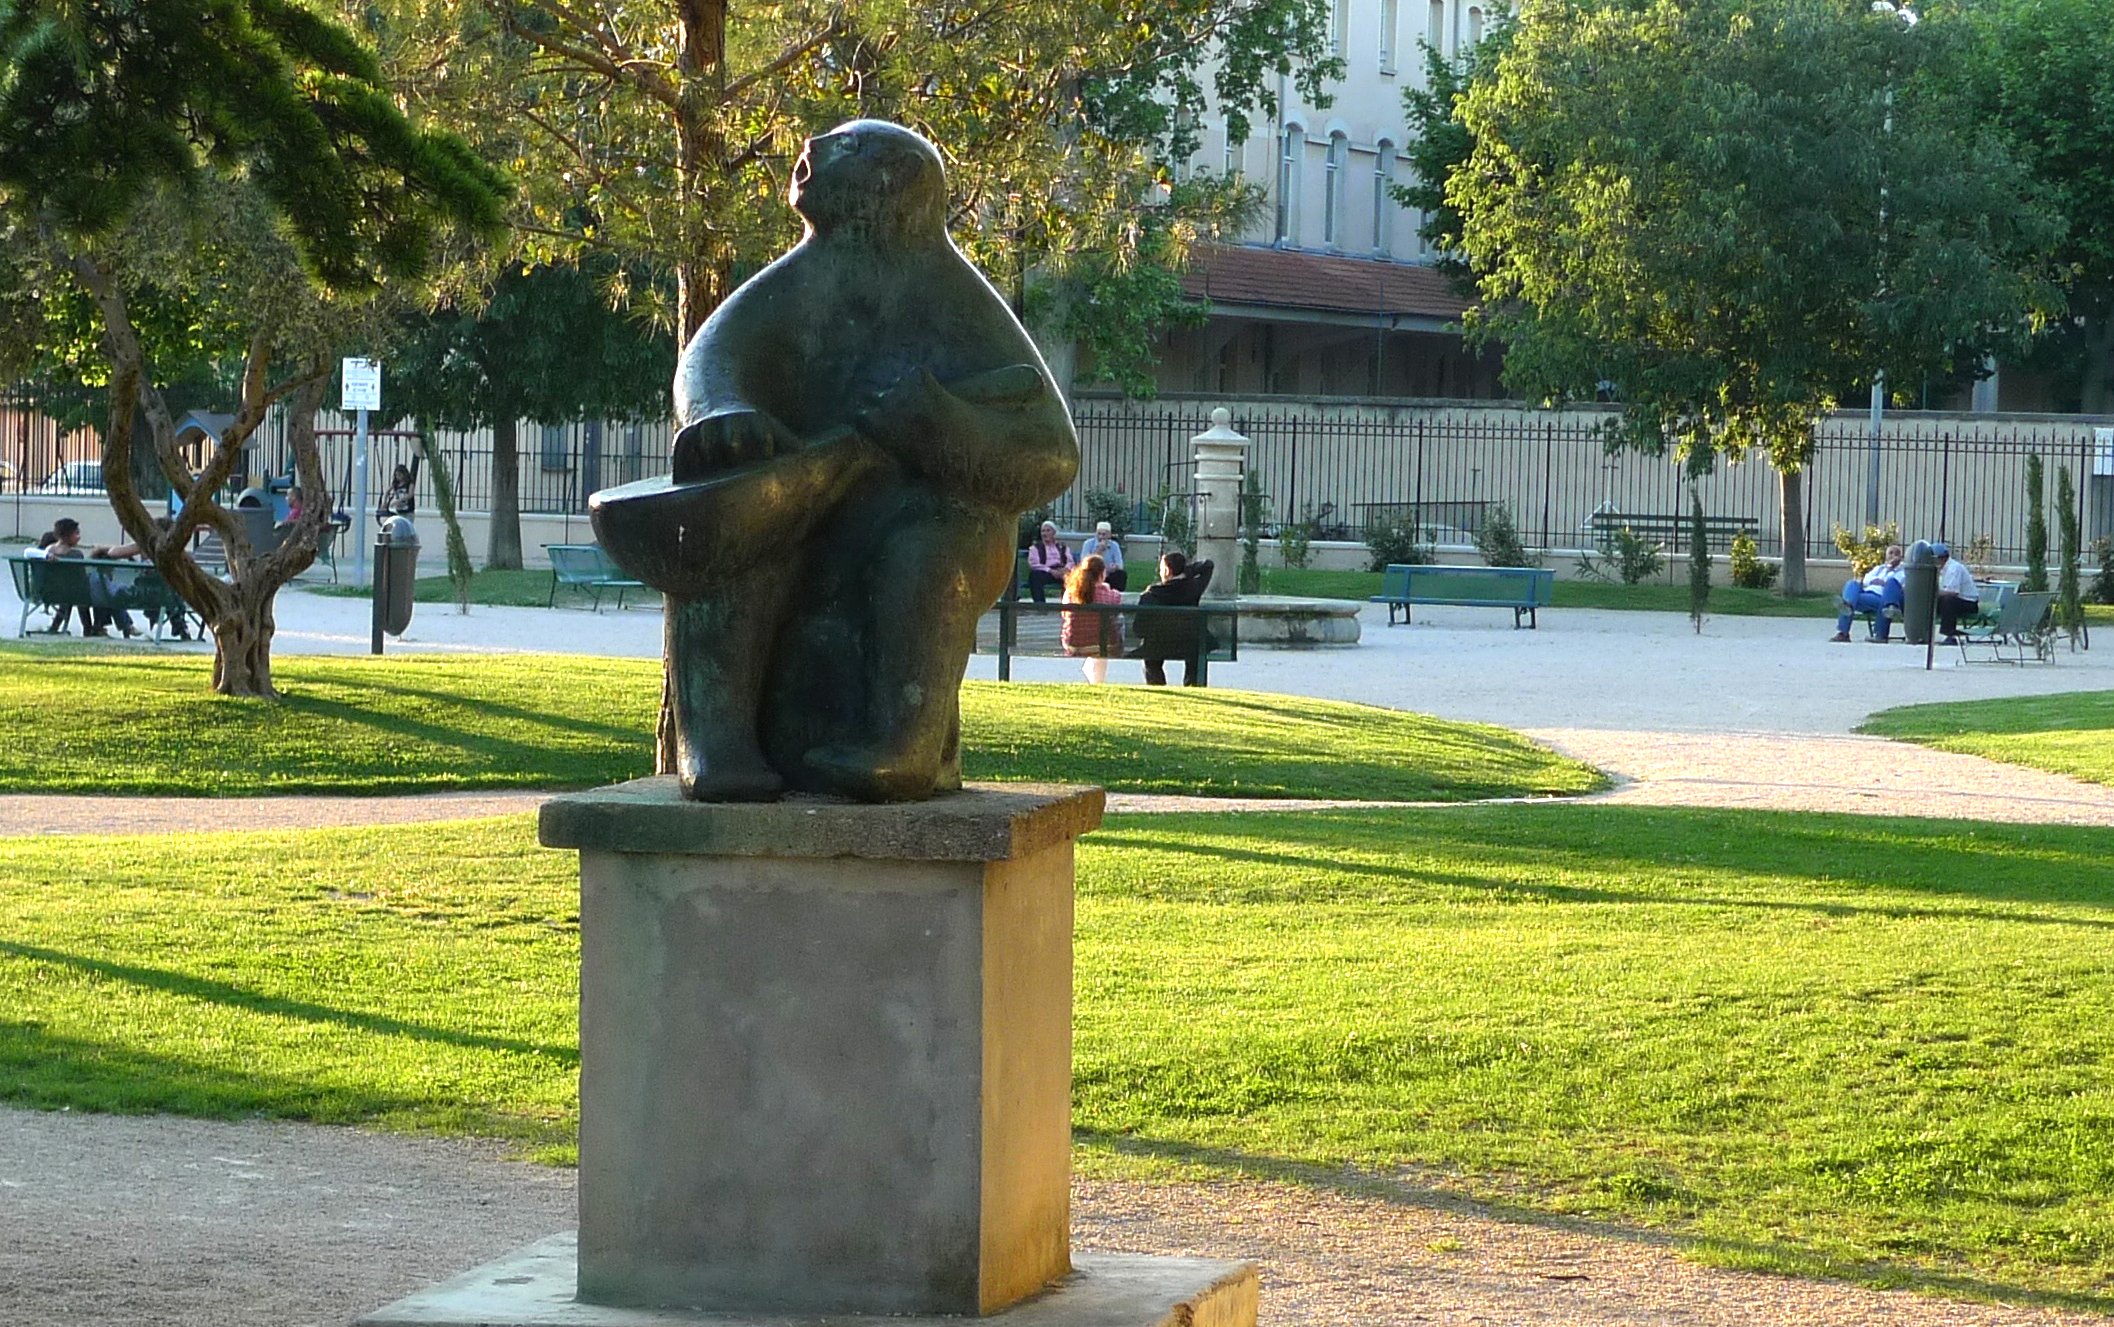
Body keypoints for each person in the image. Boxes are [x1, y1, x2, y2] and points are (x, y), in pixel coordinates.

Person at [1133, 550, 1216, 686]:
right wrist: (1185, 572)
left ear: (1167, 571)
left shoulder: (1151, 594)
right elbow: (1208, 565)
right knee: (1195, 649)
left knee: (1150, 654)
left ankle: (1157, 686)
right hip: (1189, 643)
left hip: (1159, 643)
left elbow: (1139, 630)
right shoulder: (1193, 588)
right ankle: (1193, 685)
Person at [1060, 553, 1123, 684]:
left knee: (1094, 636)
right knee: (1113, 629)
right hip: (1104, 645)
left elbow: (1064, 614)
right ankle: (1098, 680)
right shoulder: (1111, 595)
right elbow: (1116, 612)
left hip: (1074, 644)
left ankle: (1094, 677)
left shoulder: (1071, 593)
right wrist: (1106, 587)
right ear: (1102, 574)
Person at [1830, 543, 1905, 643]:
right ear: (1886, 556)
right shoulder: (1879, 568)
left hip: (1882, 598)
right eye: (1890, 553)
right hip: (1866, 594)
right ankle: (1846, 612)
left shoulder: (1903, 570)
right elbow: (1866, 579)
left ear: (1901, 557)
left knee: (1889, 584)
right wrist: (1877, 580)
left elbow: (1897, 582)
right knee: (1853, 583)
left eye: (1897, 553)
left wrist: (1881, 579)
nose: (1893, 555)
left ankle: (1848, 614)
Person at [1935, 542, 1981, 643]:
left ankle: (1948, 635)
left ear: (1941, 558)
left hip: (1969, 602)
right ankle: (1923, 633)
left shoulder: (1954, 568)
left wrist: (1933, 593)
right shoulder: (1941, 569)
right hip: (1957, 600)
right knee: (1930, 603)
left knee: (1948, 601)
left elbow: (1953, 592)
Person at [1024, 519, 1072, 604]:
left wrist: (1065, 569)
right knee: (1034, 576)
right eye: (1043, 531)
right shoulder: (1035, 548)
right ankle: (1040, 606)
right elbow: (1034, 564)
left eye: (1048, 531)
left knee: (1072, 577)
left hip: (1061, 571)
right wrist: (1050, 570)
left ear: (1054, 533)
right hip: (1046, 571)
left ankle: (1066, 604)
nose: (1045, 534)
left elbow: (1070, 561)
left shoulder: (1063, 547)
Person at [1078, 520, 1127, 592]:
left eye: (1104, 534)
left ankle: (1116, 596)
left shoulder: (1114, 545)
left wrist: (1115, 567)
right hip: (1094, 574)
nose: (1101, 537)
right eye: (1099, 534)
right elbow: (1084, 563)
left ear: (1109, 535)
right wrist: (1098, 551)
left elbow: (1120, 564)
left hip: (1108, 574)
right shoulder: (1088, 544)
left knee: (1121, 575)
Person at [378, 457, 420, 521]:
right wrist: (385, 502)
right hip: (399, 510)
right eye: (396, 475)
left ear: (404, 474)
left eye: (399, 475)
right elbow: (387, 491)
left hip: (409, 511)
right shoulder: (396, 484)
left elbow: (410, 494)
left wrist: (399, 500)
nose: (398, 477)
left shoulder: (409, 483)